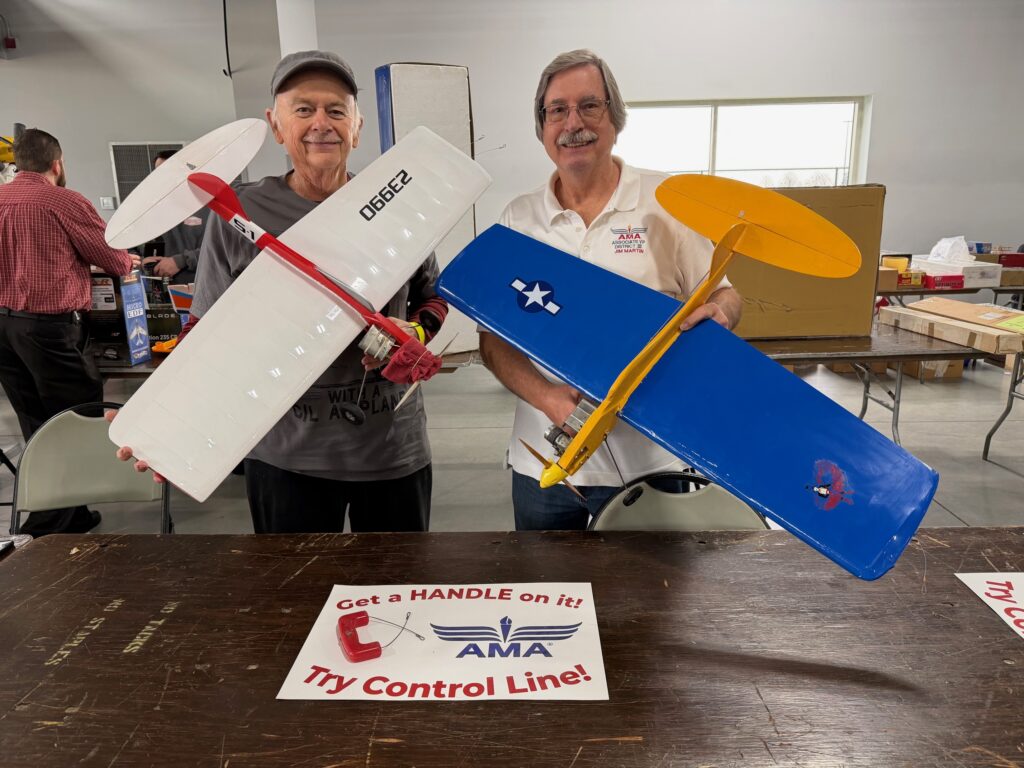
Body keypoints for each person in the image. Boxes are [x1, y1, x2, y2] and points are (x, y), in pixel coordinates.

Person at [120, 51, 447, 535]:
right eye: (304, 109)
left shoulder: (397, 205)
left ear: (357, 127)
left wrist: (414, 332)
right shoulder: (240, 215)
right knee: (292, 584)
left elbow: (434, 298)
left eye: (336, 110)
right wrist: (170, 426)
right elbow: (202, 333)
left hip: (392, 451)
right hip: (285, 458)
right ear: (276, 125)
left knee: (395, 580)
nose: (321, 124)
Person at [479, 49, 744, 531]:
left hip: (654, 461)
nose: (573, 123)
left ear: (615, 118)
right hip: (545, 466)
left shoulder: (666, 203)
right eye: (557, 110)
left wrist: (721, 315)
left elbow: (724, 294)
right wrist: (547, 398)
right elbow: (492, 340)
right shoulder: (518, 219)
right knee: (545, 581)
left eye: (589, 106)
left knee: (653, 584)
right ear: (542, 127)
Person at [0, 129, 139, 534]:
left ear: (17, 163)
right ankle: (59, 519)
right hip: (46, 328)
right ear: (57, 164)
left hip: (3, 328)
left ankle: (60, 509)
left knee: (33, 419)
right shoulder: (63, 201)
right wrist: (124, 260)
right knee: (74, 415)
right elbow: (114, 261)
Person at [141, 149, 209, 285]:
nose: (163, 178)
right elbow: (130, 245)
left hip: (198, 287)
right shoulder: (146, 209)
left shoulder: (208, 204)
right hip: (157, 288)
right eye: (158, 173)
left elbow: (222, 249)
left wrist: (181, 261)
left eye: (168, 171)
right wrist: (142, 260)